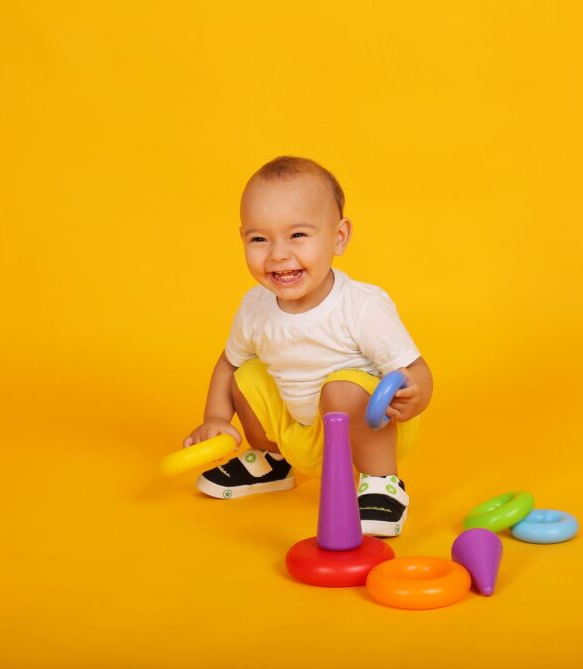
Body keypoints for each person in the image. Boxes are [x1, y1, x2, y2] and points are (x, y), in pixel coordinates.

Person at [182, 155, 433, 537]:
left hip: (369, 430)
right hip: (303, 432)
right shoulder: (255, 307)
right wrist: (216, 418)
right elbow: (228, 365)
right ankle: (274, 462)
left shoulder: (361, 306)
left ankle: (381, 483)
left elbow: (414, 369)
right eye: (259, 239)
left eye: (298, 235)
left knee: (342, 386)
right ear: (242, 239)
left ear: (339, 237)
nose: (278, 254)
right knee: (247, 375)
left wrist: (418, 395)